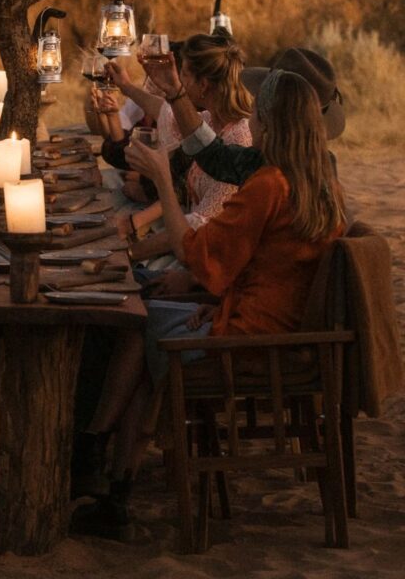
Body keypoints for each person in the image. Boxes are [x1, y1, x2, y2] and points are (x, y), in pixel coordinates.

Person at [70, 70, 346, 540]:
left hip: (250, 342)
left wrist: (163, 179)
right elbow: (265, 270)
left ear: (269, 123)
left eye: (256, 113)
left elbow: (196, 254)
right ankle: (109, 484)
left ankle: (94, 452)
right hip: (274, 328)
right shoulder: (320, 184)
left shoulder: (270, 185)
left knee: (137, 324)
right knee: (144, 331)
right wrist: (212, 300)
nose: (250, 119)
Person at [110, 35, 253, 273]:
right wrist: (126, 87)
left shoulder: (239, 139)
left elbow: (197, 229)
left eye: (184, 74)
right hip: (186, 241)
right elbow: (167, 113)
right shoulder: (212, 120)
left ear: (203, 84)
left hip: (207, 261)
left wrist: (129, 253)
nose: (179, 80)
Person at [146, 46, 345, 186]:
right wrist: (176, 92)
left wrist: (163, 184)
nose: (251, 114)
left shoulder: (268, 178)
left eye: (257, 108)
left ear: (270, 120)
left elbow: (214, 157)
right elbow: (214, 155)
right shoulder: (318, 162)